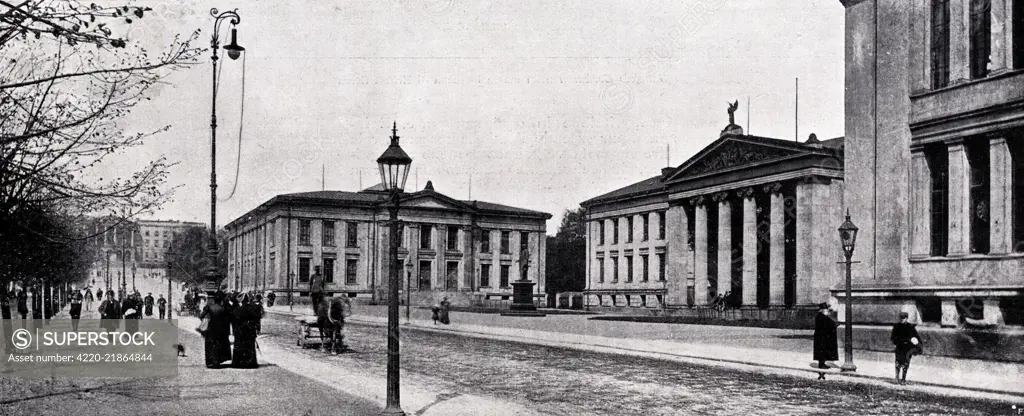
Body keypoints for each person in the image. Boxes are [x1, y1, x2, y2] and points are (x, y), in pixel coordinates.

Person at [199, 291, 232, 369]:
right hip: (221, 329)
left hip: (211, 328)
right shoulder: (224, 308)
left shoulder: (209, 307)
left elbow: (201, 315)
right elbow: (228, 319)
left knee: (211, 345)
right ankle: (218, 360)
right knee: (219, 344)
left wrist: (205, 321)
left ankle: (212, 361)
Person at [890, 311, 922, 385]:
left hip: (908, 349)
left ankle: (903, 379)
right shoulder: (896, 326)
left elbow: (916, 337)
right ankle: (897, 378)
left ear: (906, 318)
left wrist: (916, 345)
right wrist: (896, 342)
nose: (902, 319)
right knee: (897, 363)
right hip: (899, 347)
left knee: (906, 364)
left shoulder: (910, 327)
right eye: (901, 318)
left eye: (904, 318)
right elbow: (892, 337)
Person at [813, 302, 839, 380]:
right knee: (822, 351)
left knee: (822, 351)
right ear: (822, 310)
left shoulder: (821, 316)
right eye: (826, 309)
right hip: (821, 338)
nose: (827, 311)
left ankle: (822, 363)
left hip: (821, 337)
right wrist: (834, 325)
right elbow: (828, 324)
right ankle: (821, 364)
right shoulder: (822, 317)